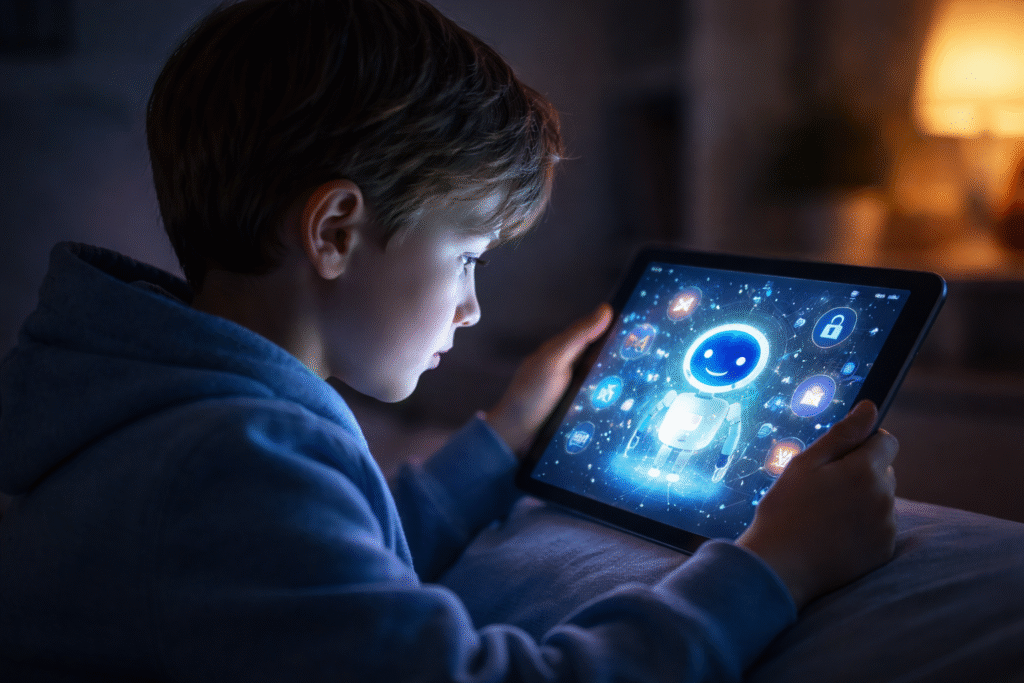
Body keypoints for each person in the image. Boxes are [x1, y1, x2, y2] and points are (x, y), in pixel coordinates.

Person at [0, 0, 897, 680]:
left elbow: (347, 570)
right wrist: (774, 566)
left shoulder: (182, 421)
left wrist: (506, 434)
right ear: (336, 231)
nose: (471, 308)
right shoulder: (226, 459)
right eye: (467, 255)